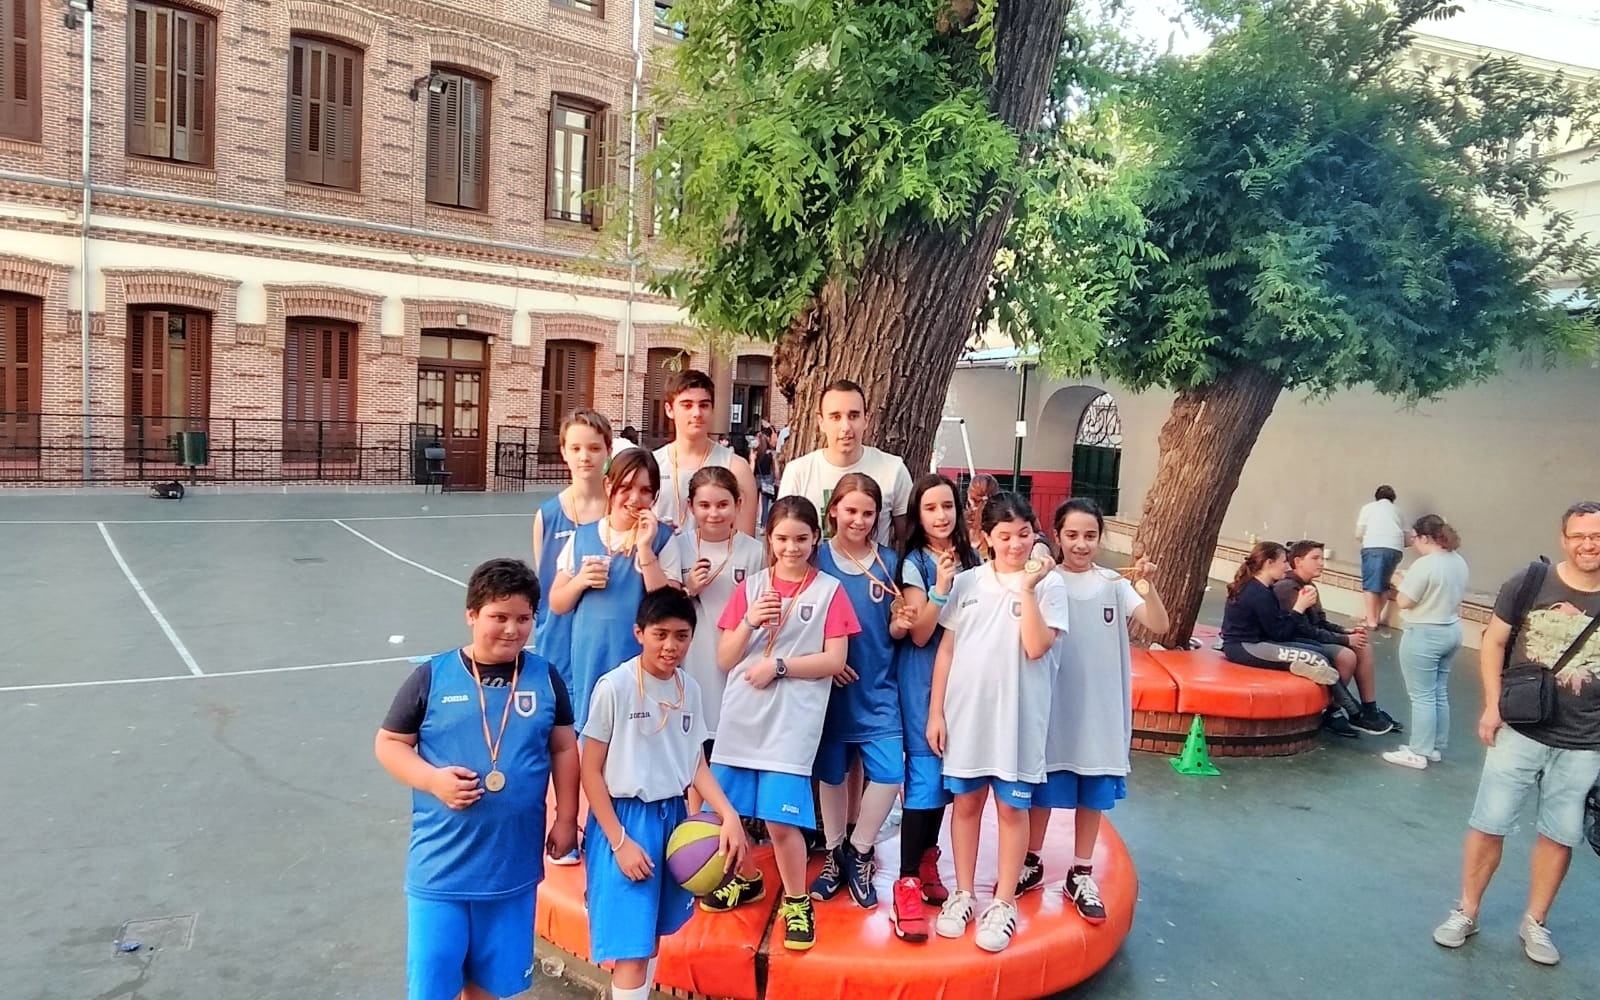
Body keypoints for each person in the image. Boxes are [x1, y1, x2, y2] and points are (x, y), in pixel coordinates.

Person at [374, 558, 580, 1000]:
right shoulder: (432, 677)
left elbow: (564, 748)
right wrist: (432, 781)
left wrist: (567, 818)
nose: (512, 629)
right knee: (434, 988)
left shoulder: (545, 678)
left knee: (489, 989)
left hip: (512, 872)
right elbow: (389, 743)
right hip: (441, 871)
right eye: (498, 617)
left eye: (523, 618)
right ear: (471, 614)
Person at [1431, 501, 1600, 967]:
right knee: (1490, 822)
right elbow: (1494, 640)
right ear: (1564, 539)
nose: (1588, 544)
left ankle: (1535, 922)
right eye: (1579, 536)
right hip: (1521, 727)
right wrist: (1493, 704)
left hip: (1585, 739)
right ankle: (1467, 911)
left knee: (1560, 833)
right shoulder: (1531, 581)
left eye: (1597, 536)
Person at [702, 496, 857, 953]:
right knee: (728, 813)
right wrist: (749, 622)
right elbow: (725, 658)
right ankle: (747, 878)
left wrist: (780, 666)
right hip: (742, 716)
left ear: (816, 538)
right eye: (782, 538)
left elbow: (835, 660)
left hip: (791, 723)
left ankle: (796, 900)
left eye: (801, 539)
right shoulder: (751, 588)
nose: (791, 547)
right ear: (769, 539)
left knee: (780, 821)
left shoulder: (828, 590)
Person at [580, 588, 748, 1000]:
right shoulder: (615, 687)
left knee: (652, 936)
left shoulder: (690, 688)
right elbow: (590, 770)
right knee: (633, 950)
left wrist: (728, 814)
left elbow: (695, 764)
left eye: (681, 635)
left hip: (672, 820)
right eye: (660, 634)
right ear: (639, 633)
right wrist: (619, 841)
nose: (671, 645)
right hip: (625, 819)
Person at [927, 493, 1068, 954]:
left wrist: (1027, 589)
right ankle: (964, 893)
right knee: (966, 805)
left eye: (1024, 534)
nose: (1015, 544)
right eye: (1004, 536)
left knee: (1011, 810)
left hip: (1019, 721)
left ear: (1035, 533)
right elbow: (947, 650)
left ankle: (1004, 901)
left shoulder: (1050, 586)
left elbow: (1035, 647)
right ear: (986, 537)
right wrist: (937, 712)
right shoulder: (967, 582)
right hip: (968, 717)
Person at [1022, 499, 1169, 924]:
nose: (1081, 544)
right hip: (1053, 703)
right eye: (1072, 535)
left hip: (1100, 708)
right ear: (1057, 536)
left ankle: (1081, 871)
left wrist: (1148, 585)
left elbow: (1158, 625)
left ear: (1101, 538)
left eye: (1090, 535)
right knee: (1044, 786)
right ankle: (1030, 861)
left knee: (1093, 789)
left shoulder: (1113, 584)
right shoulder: (1044, 582)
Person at [809, 474, 910, 913]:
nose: (859, 520)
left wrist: (901, 623)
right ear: (833, 510)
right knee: (832, 775)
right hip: (830, 691)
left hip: (878, 687)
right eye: (850, 510)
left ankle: (860, 850)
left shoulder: (888, 562)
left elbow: (894, 625)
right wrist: (824, 661)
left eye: (868, 513)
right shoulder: (816, 558)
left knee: (888, 773)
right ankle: (834, 853)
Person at [891, 473, 981, 941]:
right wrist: (942, 586)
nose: (941, 515)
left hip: (966, 679)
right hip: (925, 680)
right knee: (925, 774)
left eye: (947, 506)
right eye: (931, 508)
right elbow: (922, 633)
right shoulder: (915, 564)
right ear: (918, 515)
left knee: (950, 774)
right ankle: (906, 878)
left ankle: (929, 860)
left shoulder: (974, 558)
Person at [660, 466, 767, 786]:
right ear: (690, 507)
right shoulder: (677, 547)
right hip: (693, 664)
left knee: (732, 752)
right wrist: (688, 588)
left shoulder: (755, 552)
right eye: (704, 505)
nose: (714, 513)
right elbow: (662, 610)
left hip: (738, 666)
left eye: (722, 505)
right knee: (693, 751)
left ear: (738, 504)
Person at [1218, 541, 1362, 738]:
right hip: (1245, 646)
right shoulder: (1257, 592)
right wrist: (1299, 607)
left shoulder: (1264, 588)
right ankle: (1353, 710)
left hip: (1260, 642)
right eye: (1284, 562)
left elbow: (1277, 628)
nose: (1287, 567)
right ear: (1269, 563)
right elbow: (1279, 633)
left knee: (1318, 649)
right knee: (1317, 659)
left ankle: (1296, 667)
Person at [1272, 539, 1401, 736]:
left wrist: (1345, 631)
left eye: (1322, 558)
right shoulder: (1287, 588)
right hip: (1295, 639)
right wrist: (1344, 640)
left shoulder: (1310, 585)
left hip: (1311, 635)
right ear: (1298, 561)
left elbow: (1320, 622)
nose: (1321, 563)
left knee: (1363, 645)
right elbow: (1302, 629)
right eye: (1315, 558)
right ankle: (1333, 711)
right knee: (1346, 656)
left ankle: (1369, 707)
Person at [778, 379, 913, 547]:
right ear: (821, 422)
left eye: (854, 416)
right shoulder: (798, 472)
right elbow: (782, 536)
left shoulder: (893, 469)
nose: (846, 427)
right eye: (835, 417)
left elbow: (910, 540)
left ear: (866, 419)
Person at [532, 410, 612, 690]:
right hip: (559, 642)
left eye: (594, 448)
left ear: (608, 451)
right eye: (576, 448)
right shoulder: (548, 516)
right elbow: (547, 584)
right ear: (564, 452)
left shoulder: (621, 511)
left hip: (606, 641)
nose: (584, 457)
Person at [1383, 516, 1469, 770]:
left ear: (1424, 537)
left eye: (1414, 538)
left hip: (1424, 633)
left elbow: (1405, 601)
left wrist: (1399, 583)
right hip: (1451, 629)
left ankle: (1418, 751)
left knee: (1421, 695)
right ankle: (1434, 746)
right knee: (1438, 691)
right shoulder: (1458, 560)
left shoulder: (1426, 564)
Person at [652, 370, 759, 535]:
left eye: (703, 405)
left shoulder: (736, 468)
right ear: (669, 409)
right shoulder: (652, 465)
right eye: (687, 405)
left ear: (712, 409)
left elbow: (744, 542)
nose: (697, 413)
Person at [1356, 485, 1408, 629]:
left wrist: (1365, 540)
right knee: (1384, 584)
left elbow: (1359, 533)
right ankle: (1376, 617)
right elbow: (1406, 537)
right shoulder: (1398, 512)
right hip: (1395, 549)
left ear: (1376, 497)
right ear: (1393, 499)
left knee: (1370, 584)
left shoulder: (1368, 508)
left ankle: (1371, 621)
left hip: (1373, 547)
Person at [752, 428, 778, 529]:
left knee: (754, 503)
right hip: (767, 479)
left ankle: (753, 522)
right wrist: (776, 478)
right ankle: (763, 525)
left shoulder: (755, 454)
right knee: (765, 504)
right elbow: (775, 469)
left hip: (756, 479)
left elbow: (752, 468)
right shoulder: (770, 454)